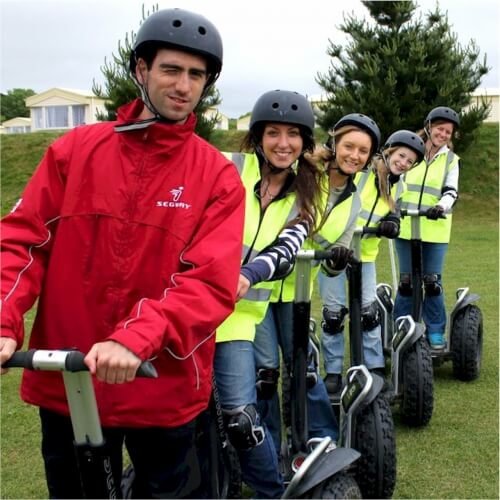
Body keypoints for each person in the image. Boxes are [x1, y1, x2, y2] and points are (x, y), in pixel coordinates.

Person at [0, 8, 246, 499]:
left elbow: (210, 281)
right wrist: (4, 320)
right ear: (141, 70)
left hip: (164, 385)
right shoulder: (74, 151)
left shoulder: (216, 175)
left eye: (196, 75)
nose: (183, 85)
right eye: (171, 70)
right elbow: (23, 242)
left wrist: (137, 338)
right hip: (71, 380)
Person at [214, 89, 323, 498]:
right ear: (257, 137)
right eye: (273, 132)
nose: (283, 143)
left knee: (241, 416)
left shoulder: (306, 193)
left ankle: (270, 492)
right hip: (189, 307)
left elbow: (287, 247)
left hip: (239, 319)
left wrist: (248, 273)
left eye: (293, 134)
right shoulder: (228, 166)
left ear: (304, 142)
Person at [253, 113, 381, 455]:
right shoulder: (301, 175)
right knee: (266, 375)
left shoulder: (355, 202)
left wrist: (337, 261)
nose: (354, 155)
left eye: (363, 151)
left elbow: (330, 268)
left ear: (370, 157)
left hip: (297, 294)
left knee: (305, 370)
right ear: (334, 143)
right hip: (257, 294)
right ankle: (266, 447)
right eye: (349, 146)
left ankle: (322, 440)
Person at [320, 130, 426, 395]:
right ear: (389, 151)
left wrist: (392, 222)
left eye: (410, 161)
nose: (403, 163)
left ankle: (374, 367)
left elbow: (394, 212)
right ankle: (333, 372)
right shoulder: (363, 173)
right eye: (401, 155)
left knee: (368, 314)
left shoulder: (399, 186)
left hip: (365, 256)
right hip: (336, 251)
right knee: (333, 315)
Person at [394, 106, 461, 349]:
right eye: (440, 128)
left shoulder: (451, 160)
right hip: (404, 227)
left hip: (435, 228)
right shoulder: (411, 153)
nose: (443, 134)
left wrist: (441, 207)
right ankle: (402, 328)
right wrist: (392, 208)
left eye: (448, 132)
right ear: (429, 126)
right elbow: (395, 181)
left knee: (432, 282)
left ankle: (434, 331)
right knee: (407, 282)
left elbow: (451, 191)